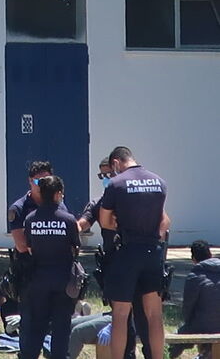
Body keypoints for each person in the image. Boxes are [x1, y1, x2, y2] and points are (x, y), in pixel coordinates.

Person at [98, 147, 169, 359]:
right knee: (155, 314)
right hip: (153, 252)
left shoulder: (116, 184)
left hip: (127, 253)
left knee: (120, 315)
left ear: (117, 162)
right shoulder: (159, 182)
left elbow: (105, 222)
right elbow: (165, 220)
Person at [79, 157, 151, 359]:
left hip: (139, 263)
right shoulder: (98, 204)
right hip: (115, 267)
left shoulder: (137, 201)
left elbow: (162, 224)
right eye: (102, 175)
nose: (107, 179)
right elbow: (83, 223)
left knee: (144, 315)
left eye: (110, 173)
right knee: (122, 318)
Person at [20, 176, 80, 359]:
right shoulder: (68, 220)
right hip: (63, 280)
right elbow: (75, 247)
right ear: (58, 194)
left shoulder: (31, 219)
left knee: (36, 326)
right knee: (61, 328)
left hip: (38, 279)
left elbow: (29, 247)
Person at [171, 240, 220, 359]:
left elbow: (188, 306)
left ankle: (168, 356)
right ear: (210, 254)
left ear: (193, 258)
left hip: (203, 325)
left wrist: (188, 322)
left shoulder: (195, 276)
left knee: (179, 338)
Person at [9, 161, 67, 254]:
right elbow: (22, 246)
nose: (43, 186)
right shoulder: (18, 208)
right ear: (30, 181)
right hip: (29, 262)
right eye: (38, 181)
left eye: (46, 181)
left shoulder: (58, 205)